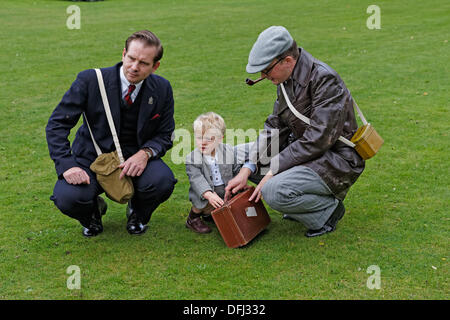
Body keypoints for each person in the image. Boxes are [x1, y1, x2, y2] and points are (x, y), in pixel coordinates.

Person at [225, 26, 365, 237]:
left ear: (288, 61)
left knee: (273, 191)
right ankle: (284, 207)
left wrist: (273, 169)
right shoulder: (284, 78)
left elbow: (318, 139)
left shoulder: (325, 80)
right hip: (301, 151)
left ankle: (327, 212)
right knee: (229, 157)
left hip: (335, 160)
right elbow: (275, 126)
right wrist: (248, 166)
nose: (263, 76)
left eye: (266, 69)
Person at [46, 30, 177, 237]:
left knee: (162, 181)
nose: (134, 67)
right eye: (131, 58)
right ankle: (92, 214)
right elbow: (57, 124)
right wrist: (67, 165)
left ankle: (138, 213)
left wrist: (145, 154)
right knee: (67, 197)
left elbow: (165, 133)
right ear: (123, 53)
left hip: (135, 161)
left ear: (155, 66)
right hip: (90, 159)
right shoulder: (90, 80)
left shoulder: (162, 88)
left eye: (143, 63)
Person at [185, 112, 247, 234]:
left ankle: (212, 215)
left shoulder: (228, 150)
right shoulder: (192, 158)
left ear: (220, 139)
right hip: (205, 190)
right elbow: (196, 179)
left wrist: (241, 182)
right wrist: (208, 194)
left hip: (224, 186)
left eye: (209, 139)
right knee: (202, 203)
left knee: (227, 200)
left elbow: (235, 169)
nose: (203, 142)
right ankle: (193, 218)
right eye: (199, 137)